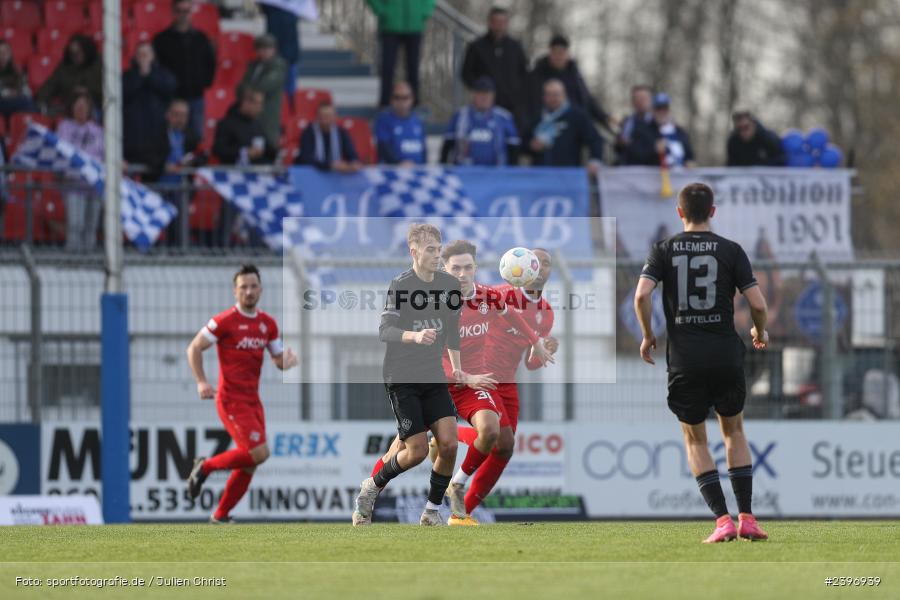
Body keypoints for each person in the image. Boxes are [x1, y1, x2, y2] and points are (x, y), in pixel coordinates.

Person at [364, 240, 554, 526]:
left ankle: (454, 505)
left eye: (468, 268)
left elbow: (511, 315)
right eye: (456, 268)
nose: (462, 274)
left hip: (478, 381)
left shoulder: (495, 298)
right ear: (445, 269)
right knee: (404, 450)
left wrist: (536, 342)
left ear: (476, 269)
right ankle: (369, 495)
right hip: (435, 381)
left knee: (498, 438)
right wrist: (462, 374)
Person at [633, 182, 770, 543]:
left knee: (696, 441)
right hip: (725, 352)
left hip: (685, 358)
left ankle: (722, 520)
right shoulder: (731, 250)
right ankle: (748, 517)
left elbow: (642, 294)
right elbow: (758, 304)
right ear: (713, 211)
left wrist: (648, 335)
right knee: (734, 431)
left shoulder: (663, 250)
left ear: (680, 213)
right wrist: (759, 332)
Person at [352, 224, 464, 527]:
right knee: (414, 451)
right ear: (413, 252)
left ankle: (430, 512)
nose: (437, 256)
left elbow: (452, 332)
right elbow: (384, 330)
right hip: (402, 377)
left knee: (450, 444)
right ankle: (372, 486)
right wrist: (415, 336)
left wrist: (457, 367)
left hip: (433, 375)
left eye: (439, 250)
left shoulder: (449, 285)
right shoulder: (401, 285)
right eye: (430, 250)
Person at [186, 264, 299, 523]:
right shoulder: (224, 321)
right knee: (259, 453)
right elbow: (194, 348)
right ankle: (205, 467)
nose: (249, 291)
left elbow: (278, 359)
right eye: (243, 287)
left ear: (260, 289)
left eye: (253, 286)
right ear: (235, 292)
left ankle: (221, 515)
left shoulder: (267, 324)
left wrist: (289, 361)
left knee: (250, 460)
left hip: (253, 401)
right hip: (230, 400)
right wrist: (201, 381)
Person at [453, 248, 557, 517]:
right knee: (499, 436)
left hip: (508, 380)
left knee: (505, 448)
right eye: (536, 262)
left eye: (545, 263)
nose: (540, 267)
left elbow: (531, 363)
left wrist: (545, 350)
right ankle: (445, 434)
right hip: (484, 375)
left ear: (549, 271)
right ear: (522, 267)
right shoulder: (498, 295)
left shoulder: (545, 313)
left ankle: (462, 513)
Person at [153, 0, 217, 138]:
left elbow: (210, 64)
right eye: (179, 11)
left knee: (196, 136)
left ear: (191, 13)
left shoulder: (201, 38)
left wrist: (203, 83)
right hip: (171, 97)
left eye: (186, 11)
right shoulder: (161, 40)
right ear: (173, 12)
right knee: (168, 136)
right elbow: (156, 68)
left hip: (195, 96)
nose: (183, 15)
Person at [461, 6, 529, 132]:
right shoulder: (476, 46)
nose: (499, 26)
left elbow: (524, 74)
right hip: (484, 108)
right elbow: (466, 73)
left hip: (511, 107)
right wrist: (480, 91)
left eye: (502, 22)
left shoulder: (516, 47)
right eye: (496, 22)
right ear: (490, 22)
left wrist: (518, 95)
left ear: (507, 24)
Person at [528, 35, 613, 132]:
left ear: (567, 54)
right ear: (550, 53)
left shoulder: (574, 74)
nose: (558, 57)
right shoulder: (537, 75)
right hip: (549, 126)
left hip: (575, 125)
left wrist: (604, 117)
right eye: (555, 52)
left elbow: (587, 99)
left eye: (562, 53)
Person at [56, 93, 103, 252]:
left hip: (93, 184)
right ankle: (73, 255)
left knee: (91, 224)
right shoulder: (65, 126)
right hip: (73, 182)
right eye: (78, 106)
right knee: (76, 223)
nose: (81, 110)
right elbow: (64, 152)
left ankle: (89, 255)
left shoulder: (97, 130)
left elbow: (102, 153)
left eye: (84, 107)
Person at [366, 0, 435, 107]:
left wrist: (424, 11)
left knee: (413, 66)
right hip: (390, 25)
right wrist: (381, 10)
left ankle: (414, 102)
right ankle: (385, 102)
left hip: (414, 24)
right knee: (387, 67)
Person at [527, 79, 603, 175]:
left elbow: (595, 139)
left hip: (568, 175)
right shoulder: (537, 117)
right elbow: (524, 141)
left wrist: (594, 160)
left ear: (564, 95)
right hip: (540, 174)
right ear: (543, 97)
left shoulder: (577, 116)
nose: (552, 98)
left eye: (556, 94)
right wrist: (531, 145)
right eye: (549, 95)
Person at [441, 77, 520, 166]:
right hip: (464, 173)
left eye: (488, 94)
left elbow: (513, 148)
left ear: (493, 96)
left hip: (496, 174)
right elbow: (448, 145)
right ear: (473, 95)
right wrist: (442, 168)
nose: (484, 98)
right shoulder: (460, 116)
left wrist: (512, 173)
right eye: (481, 94)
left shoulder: (504, 117)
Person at [123, 43, 177, 169]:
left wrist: (148, 75)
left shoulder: (163, 74)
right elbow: (124, 92)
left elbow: (169, 88)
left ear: (153, 56)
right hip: (132, 132)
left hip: (156, 132)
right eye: (140, 54)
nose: (143, 58)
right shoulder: (128, 76)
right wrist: (140, 76)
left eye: (146, 54)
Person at [236, 34, 288, 150]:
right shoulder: (253, 65)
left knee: (268, 144)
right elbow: (241, 86)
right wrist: (250, 93)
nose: (263, 52)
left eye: (266, 48)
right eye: (260, 48)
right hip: (250, 115)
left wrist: (249, 92)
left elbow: (265, 85)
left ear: (274, 50)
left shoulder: (278, 65)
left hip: (267, 113)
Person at [36, 35, 102, 115]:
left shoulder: (98, 65)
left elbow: (105, 90)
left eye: (78, 53)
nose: (75, 57)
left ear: (86, 51)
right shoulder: (65, 66)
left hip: (95, 106)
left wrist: (87, 91)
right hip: (69, 108)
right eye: (72, 54)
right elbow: (50, 85)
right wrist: (41, 100)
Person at [212, 88, 277, 166]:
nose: (260, 109)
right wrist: (244, 152)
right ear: (246, 103)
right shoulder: (227, 124)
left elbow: (268, 149)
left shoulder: (257, 124)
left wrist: (275, 149)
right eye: (257, 104)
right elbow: (218, 149)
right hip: (234, 171)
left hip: (258, 170)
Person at [295, 101, 361, 172]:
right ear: (317, 117)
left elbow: (351, 152)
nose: (324, 119)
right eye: (322, 116)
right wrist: (330, 165)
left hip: (333, 175)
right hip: (312, 173)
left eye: (328, 116)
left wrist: (354, 163)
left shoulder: (341, 132)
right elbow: (306, 158)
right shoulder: (308, 132)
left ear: (335, 117)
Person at [373, 81, 426, 165]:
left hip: (416, 172)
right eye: (397, 97)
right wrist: (399, 163)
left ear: (412, 99)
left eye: (405, 97)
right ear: (391, 99)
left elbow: (423, 150)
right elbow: (383, 147)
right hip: (392, 172)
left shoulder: (418, 121)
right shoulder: (384, 120)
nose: (401, 101)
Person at [615, 84, 653, 164]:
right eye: (637, 98)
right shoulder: (628, 121)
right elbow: (618, 147)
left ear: (650, 100)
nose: (640, 101)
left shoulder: (656, 122)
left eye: (643, 98)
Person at [0, 40, 34, 118]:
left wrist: (19, 93)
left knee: (27, 102)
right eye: (0, 52)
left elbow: (27, 91)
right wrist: (7, 93)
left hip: (15, 102)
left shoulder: (17, 71)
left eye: (6, 51)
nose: (3, 55)